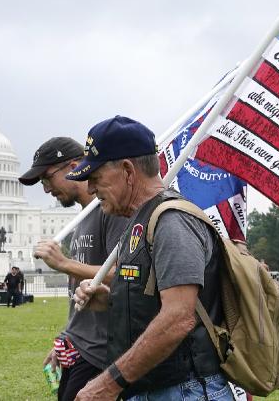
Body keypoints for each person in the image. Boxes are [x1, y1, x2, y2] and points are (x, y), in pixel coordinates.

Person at [70, 116, 233, 401]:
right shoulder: (139, 222)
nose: (92, 190)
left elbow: (178, 317)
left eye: (95, 178)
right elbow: (155, 301)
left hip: (184, 392)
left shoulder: (171, 221)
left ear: (127, 171)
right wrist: (110, 300)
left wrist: (108, 384)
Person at [20, 137, 129, 401]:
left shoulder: (110, 211)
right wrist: (65, 337)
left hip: (100, 351)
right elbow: (79, 290)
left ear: (74, 166)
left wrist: (64, 263)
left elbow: (125, 275)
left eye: (47, 178)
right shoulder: (81, 218)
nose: (46, 190)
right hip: (78, 344)